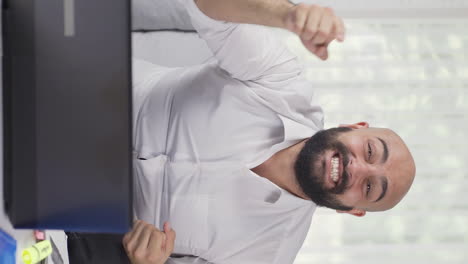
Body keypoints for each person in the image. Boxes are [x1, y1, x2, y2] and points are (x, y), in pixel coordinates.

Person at [121, 0, 417, 264]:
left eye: (369, 188)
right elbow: (206, 6)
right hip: (93, 92)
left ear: (352, 210)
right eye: (369, 151)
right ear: (355, 127)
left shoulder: (268, 255)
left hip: (82, 214)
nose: (357, 167)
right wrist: (289, 15)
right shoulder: (282, 81)